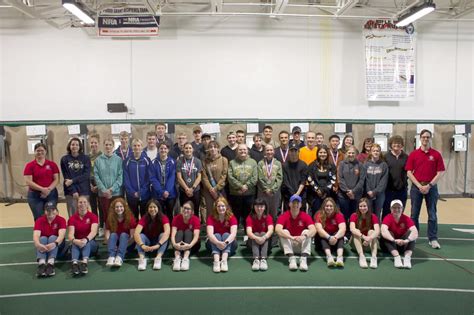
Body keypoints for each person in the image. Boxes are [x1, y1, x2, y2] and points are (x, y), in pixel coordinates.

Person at [405, 129, 445, 249]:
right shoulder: (413, 154)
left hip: (431, 188)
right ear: (420, 138)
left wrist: (429, 186)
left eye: (428, 137)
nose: (425, 139)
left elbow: (440, 172)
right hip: (416, 188)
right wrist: (419, 185)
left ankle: (433, 239)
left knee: (432, 214)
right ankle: (414, 236)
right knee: (414, 214)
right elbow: (409, 172)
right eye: (423, 137)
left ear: (430, 138)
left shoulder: (436, 154)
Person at [275, 195, 316, 271]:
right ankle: (291, 258)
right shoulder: (284, 216)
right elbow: (277, 229)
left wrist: (304, 237)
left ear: (300, 205)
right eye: (293, 203)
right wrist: (291, 237)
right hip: (288, 244)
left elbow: (313, 230)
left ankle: (303, 259)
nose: (295, 205)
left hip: (300, 245)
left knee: (307, 232)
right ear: (289, 204)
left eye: (298, 203)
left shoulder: (305, 216)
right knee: (284, 231)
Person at [94, 137, 123, 236]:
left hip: (116, 193)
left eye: (110, 145)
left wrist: (112, 189)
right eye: (106, 144)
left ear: (113, 146)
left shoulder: (118, 160)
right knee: (106, 214)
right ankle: (108, 234)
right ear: (103, 146)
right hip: (103, 194)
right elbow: (96, 176)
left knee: (117, 214)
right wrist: (104, 190)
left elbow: (120, 176)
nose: (108, 147)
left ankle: (117, 232)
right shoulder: (98, 160)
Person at [23, 143, 59, 221]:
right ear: (34, 152)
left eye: (42, 150)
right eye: (37, 150)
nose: (40, 152)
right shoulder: (29, 166)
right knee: (39, 217)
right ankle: (40, 233)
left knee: (52, 215)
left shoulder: (52, 165)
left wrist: (48, 190)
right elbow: (28, 182)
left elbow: (56, 179)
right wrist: (42, 189)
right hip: (35, 196)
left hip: (51, 194)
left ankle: (52, 233)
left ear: (45, 151)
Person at [134, 199, 170, 271]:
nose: (152, 209)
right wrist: (142, 245)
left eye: (154, 207)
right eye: (150, 207)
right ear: (147, 209)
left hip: (159, 243)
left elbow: (167, 232)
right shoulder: (144, 218)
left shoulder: (163, 217)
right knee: (140, 236)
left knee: (163, 235)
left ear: (158, 208)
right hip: (148, 243)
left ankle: (158, 258)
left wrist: (158, 245)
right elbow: (136, 233)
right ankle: (142, 258)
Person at [337, 145, 366, 235]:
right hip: (343, 195)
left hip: (356, 195)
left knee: (354, 215)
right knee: (344, 215)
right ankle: (345, 233)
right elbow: (340, 179)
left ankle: (354, 232)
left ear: (356, 154)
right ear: (346, 153)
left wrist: (353, 191)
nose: (351, 154)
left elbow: (362, 180)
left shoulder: (360, 165)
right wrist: (347, 191)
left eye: (353, 153)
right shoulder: (341, 164)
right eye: (349, 153)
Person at [381, 200, 418, 269]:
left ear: (402, 208)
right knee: (387, 234)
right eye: (394, 208)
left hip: (402, 244)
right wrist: (394, 240)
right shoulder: (387, 217)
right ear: (390, 209)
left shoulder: (406, 218)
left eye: (399, 207)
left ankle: (407, 258)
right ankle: (397, 257)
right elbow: (383, 231)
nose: (396, 209)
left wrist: (406, 240)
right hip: (391, 245)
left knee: (412, 235)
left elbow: (415, 232)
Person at [33, 201, 66, 277]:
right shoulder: (39, 220)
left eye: (52, 210)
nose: (50, 212)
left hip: (58, 244)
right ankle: (42, 263)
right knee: (42, 238)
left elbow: (61, 235)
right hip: (44, 245)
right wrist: (38, 244)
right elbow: (36, 235)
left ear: (56, 211)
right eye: (48, 210)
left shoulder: (61, 220)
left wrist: (55, 243)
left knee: (52, 237)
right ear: (45, 211)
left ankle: (51, 263)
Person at [227, 144, 258, 226]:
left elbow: (255, 178)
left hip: (249, 194)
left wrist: (246, 186)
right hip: (235, 194)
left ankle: (247, 233)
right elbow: (230, 177)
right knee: (235, 215)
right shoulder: (232, 162)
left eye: (244, 149)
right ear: (237, 151)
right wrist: (241, 186)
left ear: (247, 151)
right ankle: (235, 233)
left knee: (248, 216)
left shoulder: (253, 162)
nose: (242, 151)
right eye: (240, 150)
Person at [68, 196, 99, 276]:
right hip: (78, 244)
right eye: (80, 202)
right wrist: (75, 241)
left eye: (85, 202)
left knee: (87, 242)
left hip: (91, 244)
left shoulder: (93, 216)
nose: (82, 204)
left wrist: (86, 240)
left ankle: (84, 264)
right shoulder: (72, 218)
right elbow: (70, 235)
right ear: (77, 204)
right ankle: (74, 264)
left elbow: (94, 231)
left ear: (88, 204)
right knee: (74, 242)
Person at [60, 137, 91, 217]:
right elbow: (66, 177)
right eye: (72, 144)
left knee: (84, 213)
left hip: (84, 190)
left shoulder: (86, 158)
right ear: (69, 146)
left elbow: (86, 175)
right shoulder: (64, 159)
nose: (75, 146)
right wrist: (73, 191)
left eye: (77, 144)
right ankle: (73, 229)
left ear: (80, 146)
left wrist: (73, 180)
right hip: (71, 191)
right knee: (73, 214)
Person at [206, 197, 238, 273]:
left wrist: (225, 243)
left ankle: (224, 261)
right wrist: (217, 243)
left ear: (226, 207)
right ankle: (216, 262)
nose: (221, 208)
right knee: (216, 235)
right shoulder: (211, 218)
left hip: (229, 245)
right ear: (215, 207)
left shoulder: (232, 217)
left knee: (227, 234)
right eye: (219, 206)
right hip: (213, 244)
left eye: (223, 206)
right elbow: (210, 234)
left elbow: (233, 234)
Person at [123, 138, 151, 220]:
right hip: (131, 195)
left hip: (144, 194)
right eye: (134, 146)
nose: (137, 147)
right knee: (133, 216)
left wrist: (142, 191)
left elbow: (148, 178)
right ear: (132, 147)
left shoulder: (147, 160)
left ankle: (144, 232)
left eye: (138, 145)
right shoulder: (127, 161)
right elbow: (126, 178)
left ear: (142, 147)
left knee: (145, 216)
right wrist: (132, 192)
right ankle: (133, 231)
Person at [314, 197, 346, 268]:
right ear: (323, 207)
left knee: (340, 235)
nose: (329, 208)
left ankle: (340, 257)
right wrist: (329, 237)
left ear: (334, 207)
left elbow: (343, 229)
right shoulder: (319, 214)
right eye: (327, 206)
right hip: (322, 241)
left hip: (335, 240)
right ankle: (329, 257)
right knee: (322, 235)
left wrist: (335, 237)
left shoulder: (339, 214)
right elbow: (319, 229)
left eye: (331, 206)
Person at [105, 198, 136, 267]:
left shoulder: (130, 218)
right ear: (113, 208)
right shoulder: (110, 218)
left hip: (127, 244)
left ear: (124, 207)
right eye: (117, 207)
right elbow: (107, 237)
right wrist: (111, 245)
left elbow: (132, 237)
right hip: (115, 244)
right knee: (113, 234)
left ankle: (119, 257)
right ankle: (111, 257)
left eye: (121, 206)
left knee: (123, 234)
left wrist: (122, 246)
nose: (119, 209)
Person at [307, 145, 337, 217]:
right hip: (315, 194)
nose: (322, 154)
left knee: (328, 214)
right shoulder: (312, 165)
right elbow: (309, 178)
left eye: (324, 152)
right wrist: (317, 190)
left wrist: (324, 190)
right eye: (320, 152)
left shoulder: (332, 166)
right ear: (317, 153)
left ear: (327, 154)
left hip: (328, 194)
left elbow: (333, 179)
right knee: (316, 213)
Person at [150, 142, 177, 221]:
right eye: (161, 148)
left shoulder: (173, 162)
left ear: (168, 150)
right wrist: (161, 191)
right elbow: (153, 178)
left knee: (169, 214)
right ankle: (161, 231)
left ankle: (170, 231)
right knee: (159, 214)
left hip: (170, 193)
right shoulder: (153, 162)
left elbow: (172, 177)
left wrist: (167, 191)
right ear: (158, 150)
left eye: (165, 148)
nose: (163, 150)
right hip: (157, 193)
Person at [349, 198, 380, 269]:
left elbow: (377, 230)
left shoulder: (373, 216)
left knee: (371, 232)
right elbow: (352, 229)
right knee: (356, 231)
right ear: (358, 207)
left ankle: (374, 257)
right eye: (360, 206)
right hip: (356, 244)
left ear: (368, 207)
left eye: (364, 206)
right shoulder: (354, 215)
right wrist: (363, 236)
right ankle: (361, 256)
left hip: (368, 244)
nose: (362, 208)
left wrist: (369, 238)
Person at [383, 135, 408, 218]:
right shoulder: (386, 157)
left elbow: (409, 171)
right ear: (391, 145)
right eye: (394, 143)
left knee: (399, 210)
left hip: (402, 189)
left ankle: (397, 229)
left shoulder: (406, 157)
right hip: (388, 189)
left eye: (399, 144)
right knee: (387, 210)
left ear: (402, 145)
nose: (396, 145)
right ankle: (385, 229)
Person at [171, 201, 201, 271]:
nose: (185, 210)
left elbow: (196, 236)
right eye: (184, 208)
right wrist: (174, 244)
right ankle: (177, 258)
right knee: (180, 232)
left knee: (188, 232)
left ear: (192, 211)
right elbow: (173, 235)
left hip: (192, 245)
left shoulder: (196, 219)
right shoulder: (176, 218)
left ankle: (185, 259)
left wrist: (189, 245)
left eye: (188, 209)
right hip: (178, 245)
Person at [201, 140, 228, 218]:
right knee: (210, 210)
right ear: (208, 149)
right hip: (208, 191)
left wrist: (216, 188)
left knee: (222, 209)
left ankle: (222, 228)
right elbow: (204, 177)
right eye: (210, 147)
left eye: (215, 147)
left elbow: (224, 175)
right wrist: (210, 189)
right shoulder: (205, 161)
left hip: (220, 189)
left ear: (218, 149)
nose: (213, 149)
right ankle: (210, 228)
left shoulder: (224, 160)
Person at [246, 198, 274, 271]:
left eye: (261, 206)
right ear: (254, 207)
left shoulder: (268, 217)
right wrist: (256, 238)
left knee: (263, 233)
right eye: (257, 206)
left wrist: (264, 237)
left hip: (265, 241)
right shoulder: (249, 217)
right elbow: (249, 232)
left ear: (265, 207)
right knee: (256, 233)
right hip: (253, 241)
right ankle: (256, 259)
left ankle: (263, 259)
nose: (259, 208)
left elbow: (271, 230)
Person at [257, 144, 283, 222]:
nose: (269, 152)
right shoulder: (260, 163)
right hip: (263, 192)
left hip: (274, 192)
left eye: (271, 150)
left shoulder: (278, 163)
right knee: (262, 210)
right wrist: (266, 189)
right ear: (264, 151)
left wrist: (272, 189)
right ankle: (264, 228)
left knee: (274, 211)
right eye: (267, 150)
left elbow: (279, 178)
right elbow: (260, 177)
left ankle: (274, 229)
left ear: (274, 151)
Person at [364, 143, 388, 220]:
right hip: (368, 194)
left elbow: (383, 180)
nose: (376, 152)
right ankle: (368, 230)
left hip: (379, 194)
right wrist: (368, 191)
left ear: (380, 152)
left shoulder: (383, 165)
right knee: (368, 213)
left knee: (377, 213)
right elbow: (364, 179)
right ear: (371, 152)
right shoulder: (366, 165)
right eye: (374, 151)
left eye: (377, 151)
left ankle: (376, 230)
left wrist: (375, 191)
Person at [176, 142, 202, 214]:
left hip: (195, 190)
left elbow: (199, 177)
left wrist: (192, 188)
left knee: (196, 210)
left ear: (193, 149)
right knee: (185, 210)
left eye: (190, 148)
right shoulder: (179, 161)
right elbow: (179, 177)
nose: (188, 150)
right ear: (183, 150)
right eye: (186, 148)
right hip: (184, 191)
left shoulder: (198, 161)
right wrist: (186, 189)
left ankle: (196, 225)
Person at [281, 143, 307, 210]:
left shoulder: (303, 165)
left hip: (301, 194)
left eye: (295, 151)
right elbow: (285, 181)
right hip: (288, 194)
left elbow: (303, 181)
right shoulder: (284, 165)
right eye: (291, 151)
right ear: (289, 152)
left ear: (298, 152)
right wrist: (292, 194)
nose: (293, 153)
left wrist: (297, 194)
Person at [88, 134, 102, 226]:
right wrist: (90, 185)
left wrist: (99, 185)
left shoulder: (102, 156)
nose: (93, 144)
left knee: (101, 207)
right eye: (92, 142)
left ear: (99, 143)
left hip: (100, 183)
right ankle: (95, 226)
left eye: (95, 142)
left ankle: (102, 226)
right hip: (90, 183)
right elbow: (85, 173)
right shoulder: (87, 157)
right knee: (93, 207)